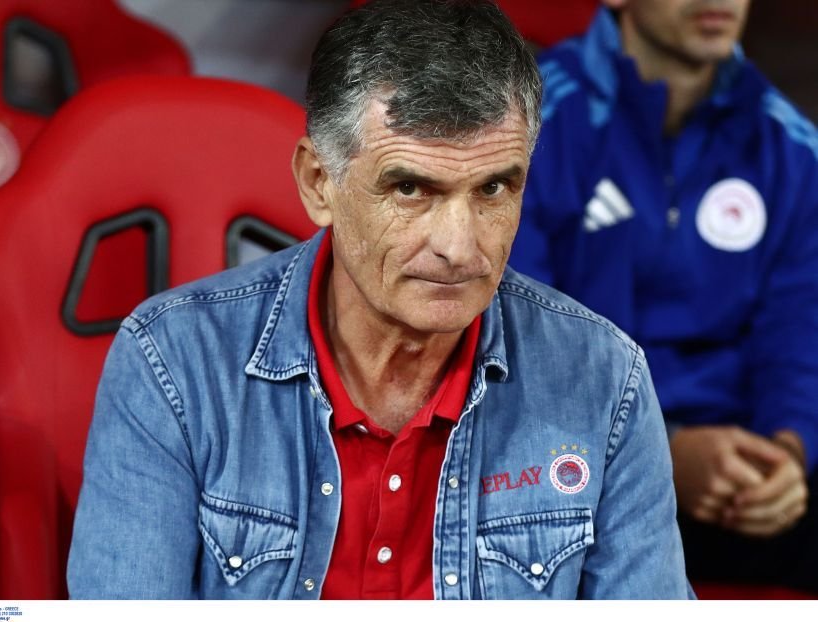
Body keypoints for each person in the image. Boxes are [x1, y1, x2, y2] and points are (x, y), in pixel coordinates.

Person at [67, 0, 691, 599]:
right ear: (319, 183)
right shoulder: (173, 364)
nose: (459, 247)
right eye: (411, 189)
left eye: (494, 189)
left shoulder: (604, 378)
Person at [508, 0, 818, 592]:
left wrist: (787, 453)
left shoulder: (792, 147)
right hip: (578, 460)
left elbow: (800, 331)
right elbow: (517, 343)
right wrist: (664, 453)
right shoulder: (528, 126)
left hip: (738, 466)